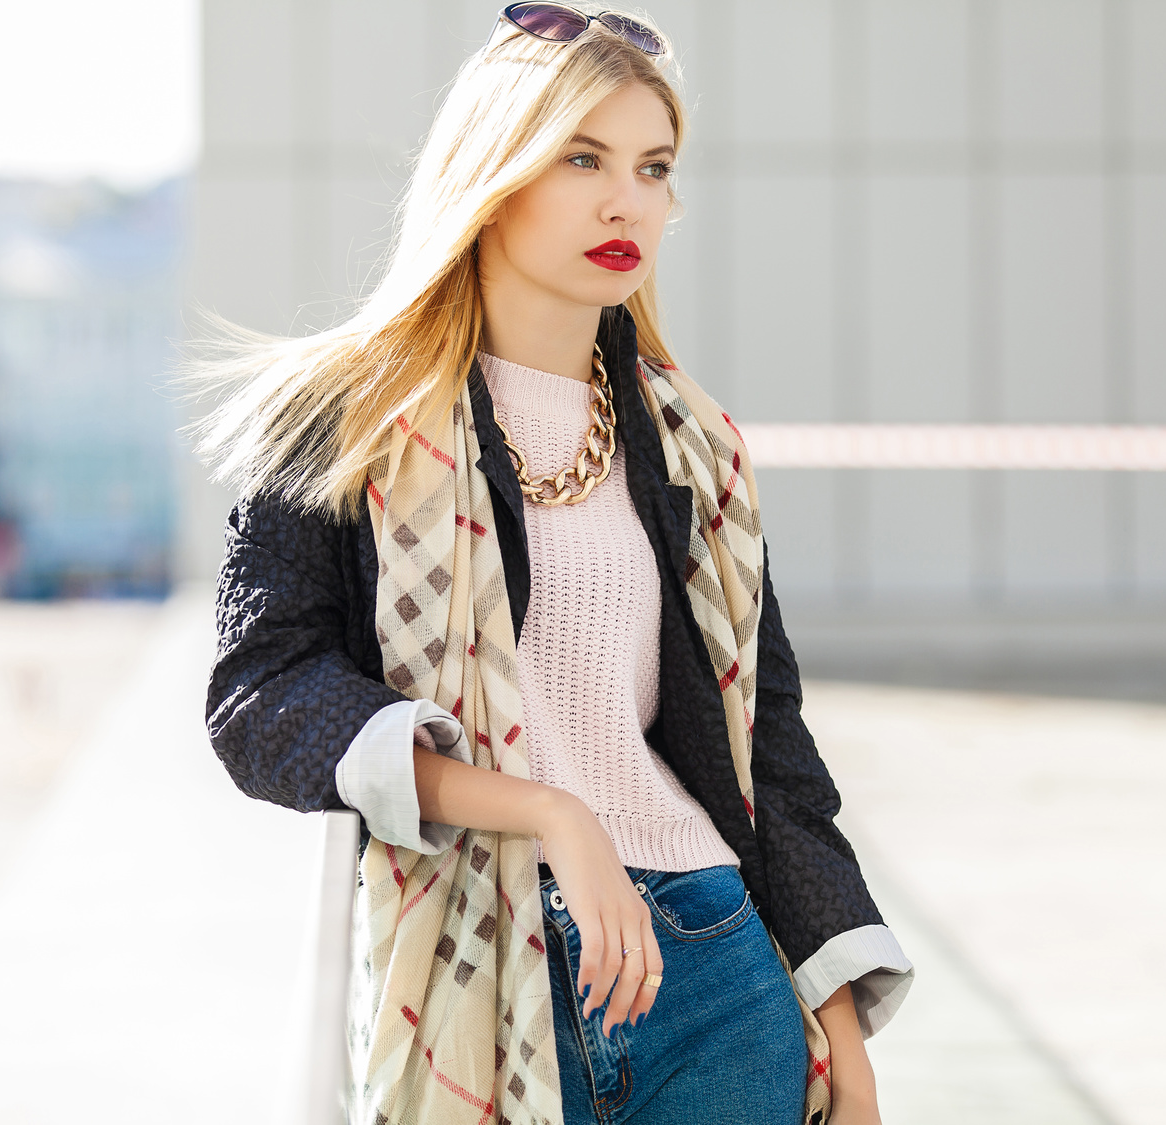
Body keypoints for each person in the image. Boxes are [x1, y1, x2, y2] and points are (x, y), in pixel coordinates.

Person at [199, 5, 913, 1123]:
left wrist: (839, 1033)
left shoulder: (693, 450)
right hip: (483, 960)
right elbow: (260, 697)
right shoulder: (349, 424)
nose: (623, 199)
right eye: (579, 157)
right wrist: (545, 812)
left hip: (715, 974)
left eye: (652, 166)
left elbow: (767, 750)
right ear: (492, 171)